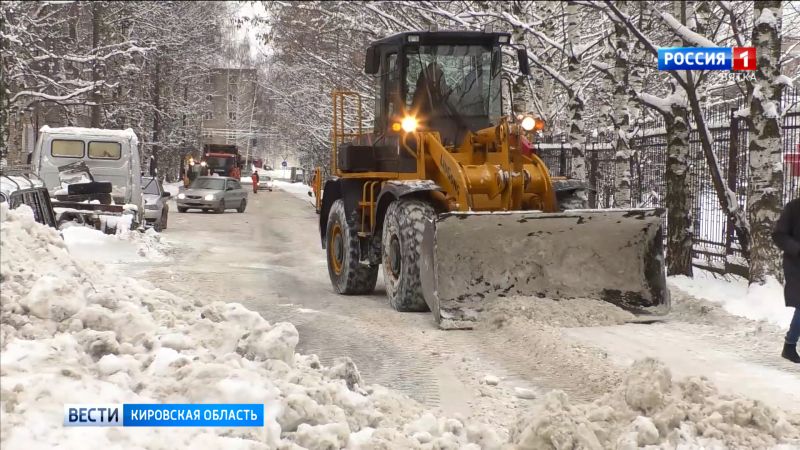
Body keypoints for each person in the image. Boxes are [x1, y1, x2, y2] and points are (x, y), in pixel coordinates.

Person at [772, 197, 800, 363]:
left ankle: (789, 345)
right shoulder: (794, 208)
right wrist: (797, 248)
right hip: (797, 264)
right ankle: (789, 346)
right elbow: (778, 235)